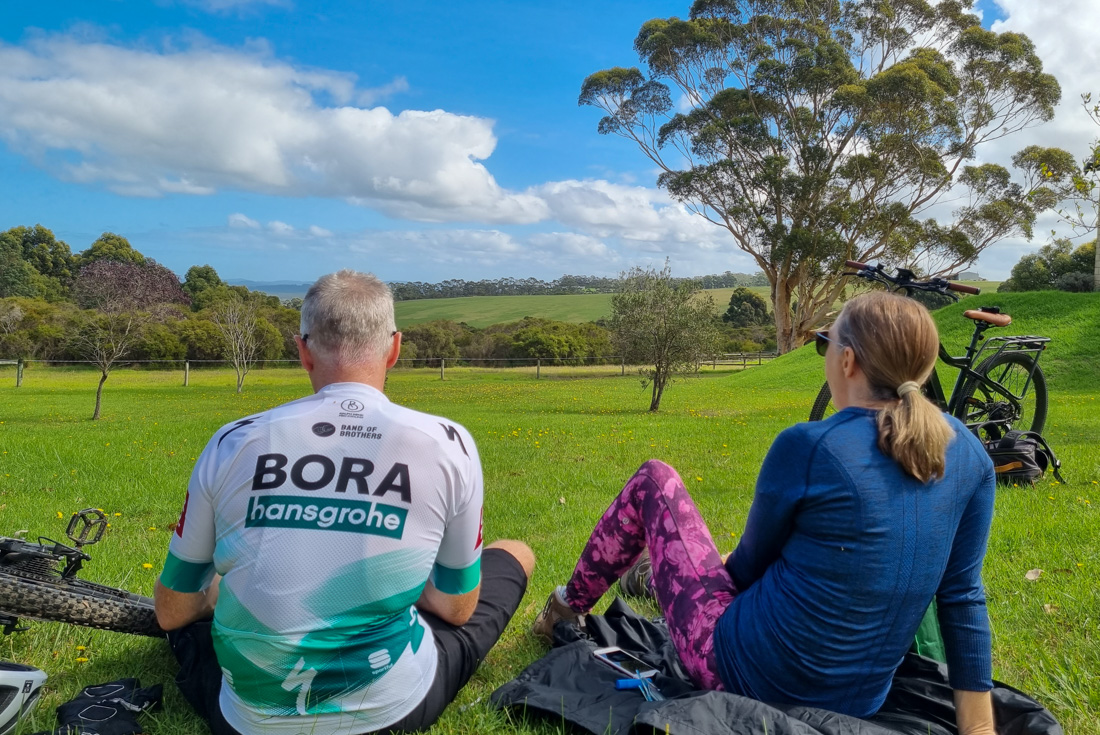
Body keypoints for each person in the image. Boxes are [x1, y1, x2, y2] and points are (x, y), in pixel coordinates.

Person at [533, 291, 997, 734]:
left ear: (848, 361)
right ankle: (647, 578)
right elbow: (962, 597)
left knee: (655, 481)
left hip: (741, 674)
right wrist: (978, 727)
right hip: (861, 701)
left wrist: (703, 574)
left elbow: (747, 568)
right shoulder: (972, 456)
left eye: (825, 344)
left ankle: (564, 609)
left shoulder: (810, 445)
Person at [155, 270, 535, 735]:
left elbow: (172, 610)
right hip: (391, 713)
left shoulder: (233, 441)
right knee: (517, 553)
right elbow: (457, 608)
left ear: (303, 351)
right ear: (394, 348)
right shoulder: (446, 442)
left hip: (246, 721)